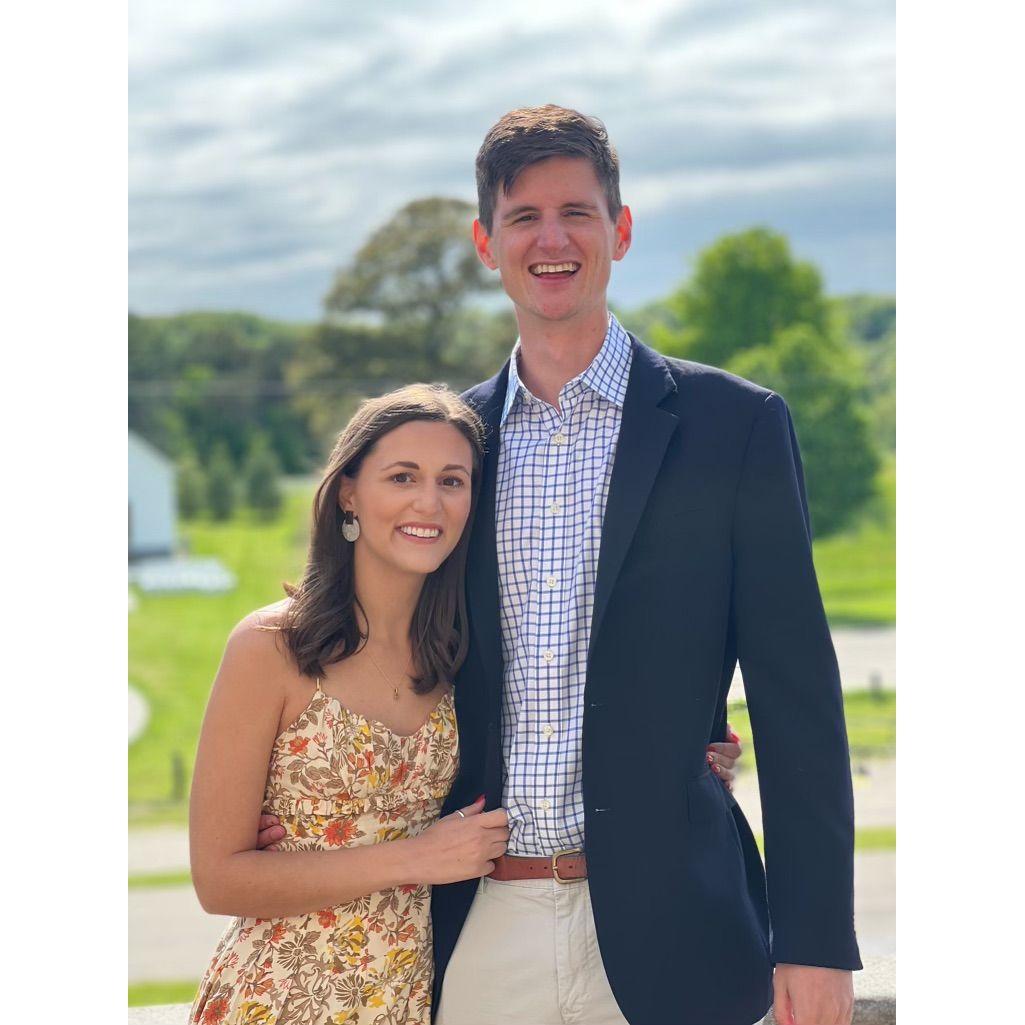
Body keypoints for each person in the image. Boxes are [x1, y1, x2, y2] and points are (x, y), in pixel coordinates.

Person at [424, 107, 861, 1025]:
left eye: (576, 213)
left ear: (619, 231)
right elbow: (385, 655)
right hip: (478, 928)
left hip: (678, 930)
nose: (551, 240)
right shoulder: (448, 449)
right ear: (485, 244)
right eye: (523, 217)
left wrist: (815, 938)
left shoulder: (734, 426)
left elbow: (797, 699)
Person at [187, 381, 747, 1024]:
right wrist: (416, 857)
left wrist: (687, 754)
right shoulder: (271, 646)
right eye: (402, 477)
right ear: (348, 493)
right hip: (281, 994)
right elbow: (219, 880)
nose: (429, 502)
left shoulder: (463, 657)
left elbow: (574, 714)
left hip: (411, 995)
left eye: (452, 481)